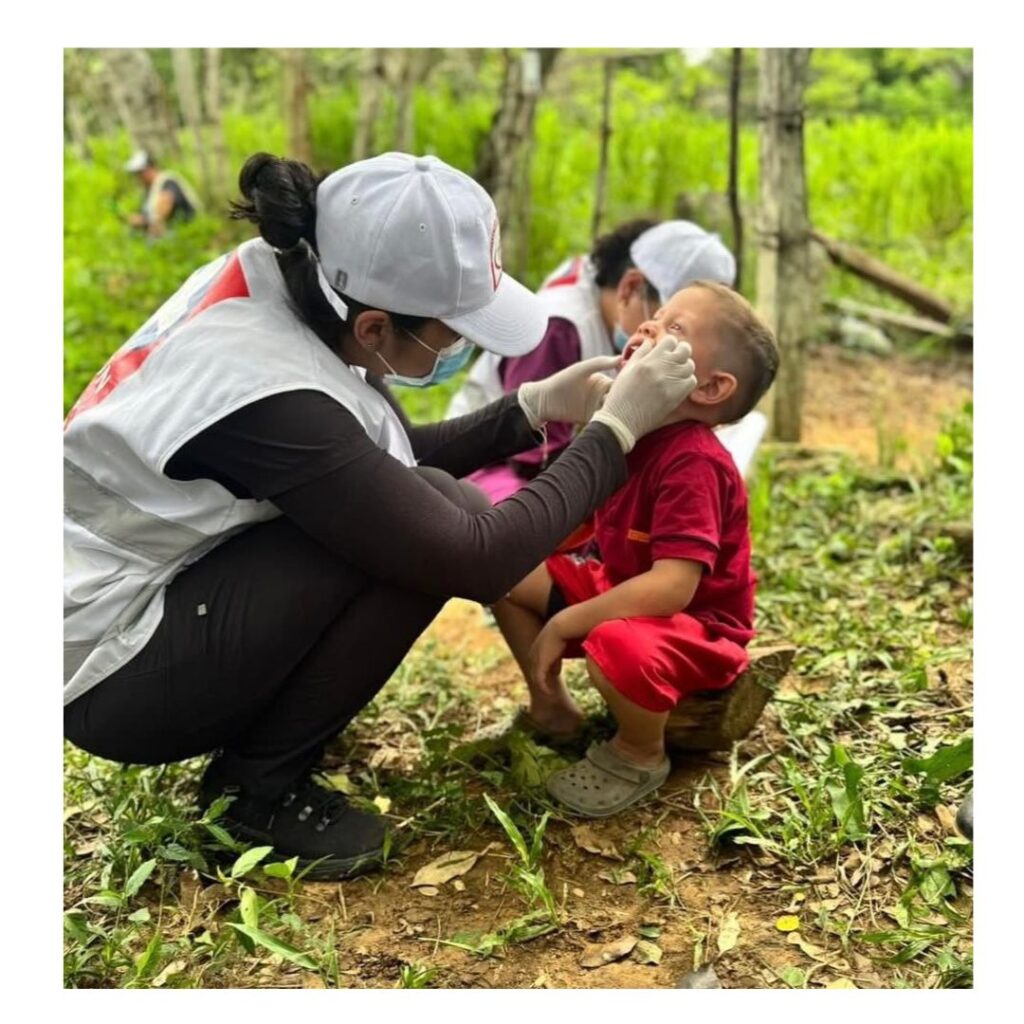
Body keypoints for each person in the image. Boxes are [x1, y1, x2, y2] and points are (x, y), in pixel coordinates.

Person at [63, 150, 699, 879]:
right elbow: (473, 555)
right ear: (372, 328)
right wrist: (615, 432)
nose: (459, 348)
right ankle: (256, 792)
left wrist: (531, 409)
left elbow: (368, 459)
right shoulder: (262, 381)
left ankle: (267, 742)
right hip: (116, 667)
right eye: (453, 332)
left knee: (432, 502)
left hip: (161, 597)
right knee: (435, 529)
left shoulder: (297, 280)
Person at [493, 281, 779, 816]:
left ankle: (640, 751)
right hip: (622, 589)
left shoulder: (693, 461)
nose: (648, 326)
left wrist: (564, 621)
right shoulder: (631, 433)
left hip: (693, 627)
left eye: (674, 330)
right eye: (658, 315)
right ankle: (552, 709)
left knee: (614, 640)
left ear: (711, 388)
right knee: (505, 568)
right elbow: (567, 524)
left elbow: (673, 587)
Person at [446, 219, 736, 502]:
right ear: (631, 287)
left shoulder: (611, 310)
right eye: (672, 323)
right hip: (493, 464)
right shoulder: (560, 329)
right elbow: (534, 460)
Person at [124, 148, 202, 236]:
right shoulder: (148, 190)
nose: (138, 177)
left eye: (140, 173)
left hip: (186, 230)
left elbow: (167, 199)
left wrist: (156, 221)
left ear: (150, 168)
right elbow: (146, 216)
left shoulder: (167, 181)